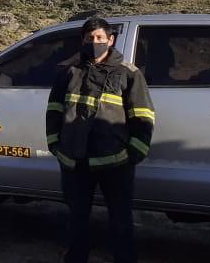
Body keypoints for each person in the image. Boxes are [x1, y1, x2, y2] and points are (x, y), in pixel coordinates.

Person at [45, 17, 155, 263]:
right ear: (82, 40)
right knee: (76, 219)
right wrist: (55, 144)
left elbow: (143, 115)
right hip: (76, 160)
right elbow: (54, 109)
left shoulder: (128, 73)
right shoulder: (69, 72)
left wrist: (134, 153)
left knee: (120, 220)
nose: (94, 43)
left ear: (110, 40)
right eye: (89, 38)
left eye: (99, 38)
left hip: (115, 162)